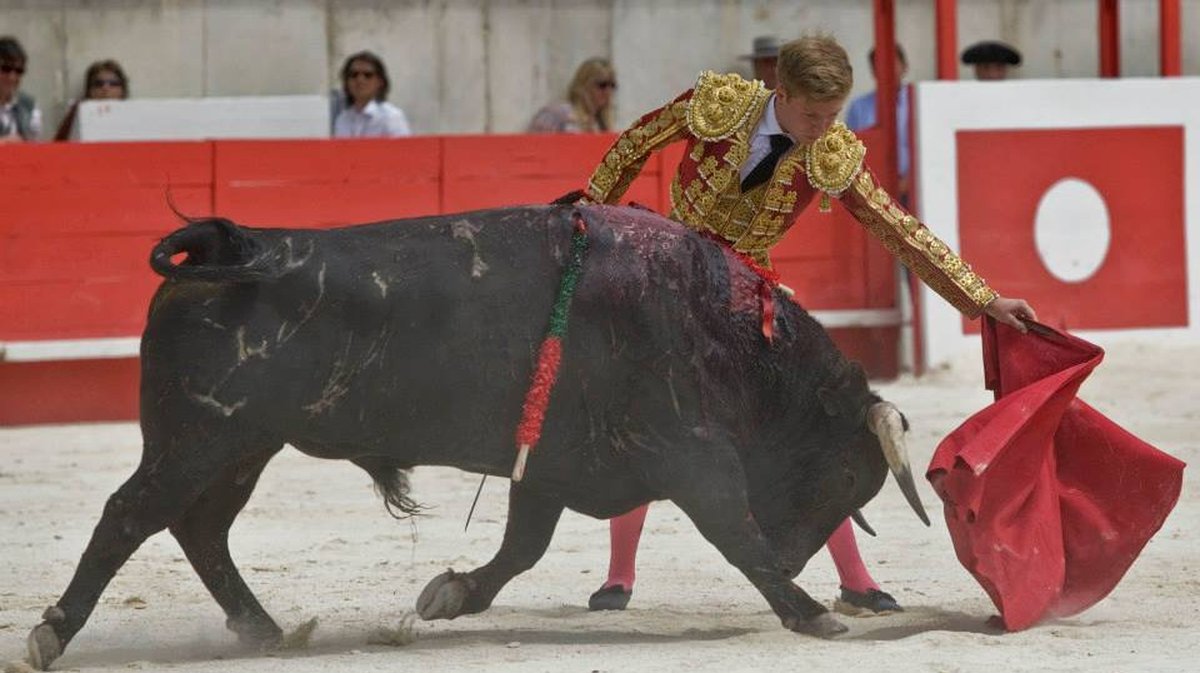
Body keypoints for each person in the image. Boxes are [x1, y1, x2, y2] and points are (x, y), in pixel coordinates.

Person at [581, 34, 1036, 614]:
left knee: (802, 431)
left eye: (834, 114)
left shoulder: (834, 153)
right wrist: (590, 219)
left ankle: (856, 579)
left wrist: (983, 298)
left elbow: (896, 227)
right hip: (667, 275)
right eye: (814, 114)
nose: (824, 128)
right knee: (645, 414)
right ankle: (620, 576)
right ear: (782, 91)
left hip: (748, 297)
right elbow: (633, 144)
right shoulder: (718, 103)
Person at [845, 45, 910, 205]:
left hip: (916, 188)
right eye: (879, 65)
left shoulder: (918, 102)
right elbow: (850, 152)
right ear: (873, 71)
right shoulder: (859, 107)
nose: (886, 70)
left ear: (905, 66)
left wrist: (910, 180)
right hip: (873, 192)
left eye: (892, 64)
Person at [332, 51, 412, 138]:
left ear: (380, 82)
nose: (360, 80)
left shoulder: (391, 117)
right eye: (354, 75)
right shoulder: (342, 119)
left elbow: (403, 151)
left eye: (368, 75)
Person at [528, 57, 617, 133]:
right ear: (584, 85)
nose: (608, 92)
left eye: (612, 86)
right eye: (602, 85)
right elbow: (535, 145)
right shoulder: (558, 114)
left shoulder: (601, 124)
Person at [53, 59, 129, 141]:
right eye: (99, 84)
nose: (105, 88)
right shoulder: (77, 112)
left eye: (113, 83)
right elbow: (58, 145)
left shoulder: (132, 114)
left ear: (123, 90)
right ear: (89, 90)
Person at [0, 36, 41, 142]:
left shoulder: (29, 105)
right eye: (6, 69)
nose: (12, 77)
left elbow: (35, 145)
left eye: (19, 71)